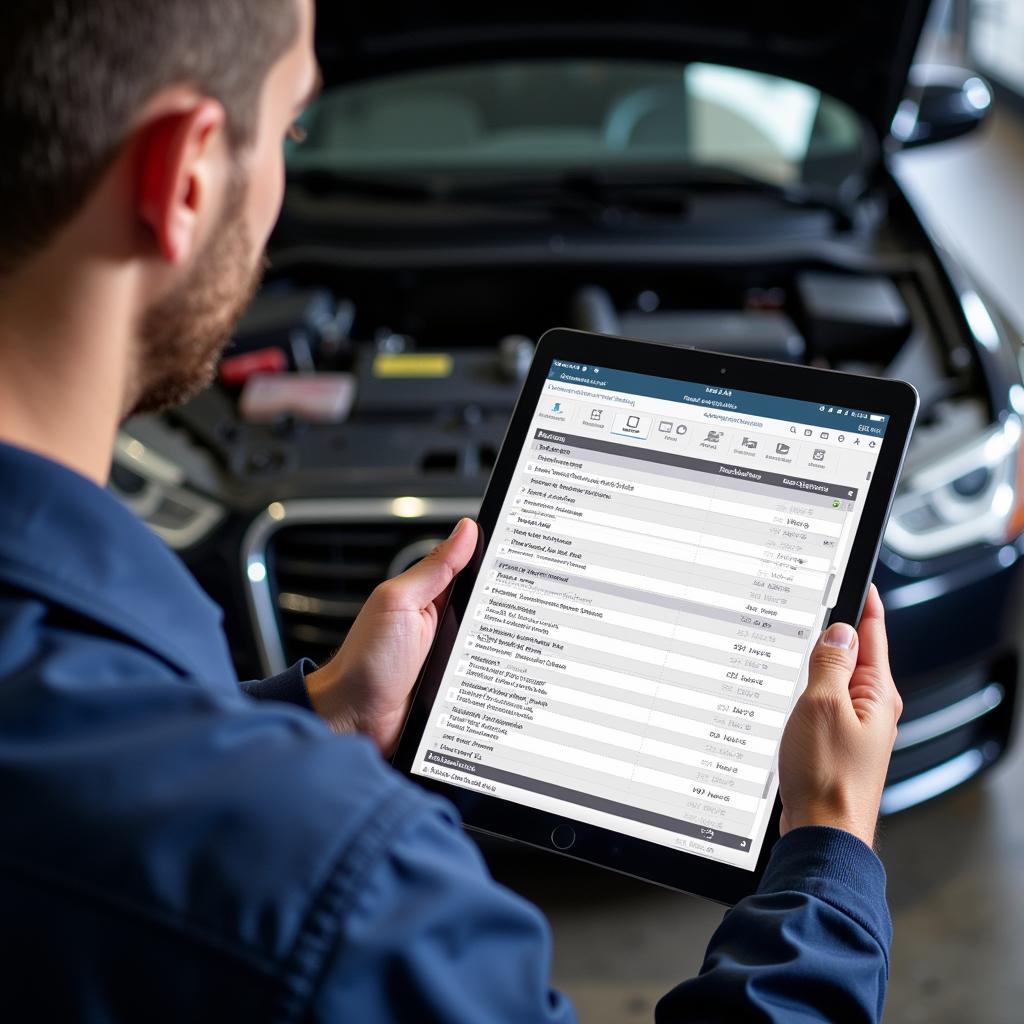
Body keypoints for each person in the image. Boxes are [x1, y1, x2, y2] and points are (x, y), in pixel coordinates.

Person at [0, 1, 903, 1021]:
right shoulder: (329, 890)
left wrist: (319, 709)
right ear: (188, 172)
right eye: (292, 124)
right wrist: (828, 842)